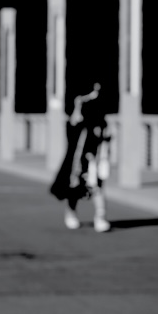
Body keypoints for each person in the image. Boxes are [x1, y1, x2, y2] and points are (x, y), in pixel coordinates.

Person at [50, 83, 111, 232]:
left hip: (94, 160)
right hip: (78, 161)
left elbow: (105, 139)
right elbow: (73, 124)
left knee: (97, 187)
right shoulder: (78, 122)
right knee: (75, 188)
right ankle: (71, 213)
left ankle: (100, 217)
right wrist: (80, 102)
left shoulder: (100, 122)